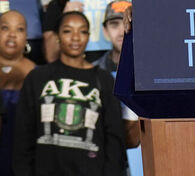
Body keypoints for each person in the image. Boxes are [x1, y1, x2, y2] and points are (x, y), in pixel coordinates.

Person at [13, 11, 124, 175]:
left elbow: (114, 140)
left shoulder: (104, 80)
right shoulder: (38, 77)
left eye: (82, 31)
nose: (75, 37)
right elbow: (22, 136)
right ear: (57, 36)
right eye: (67, 31)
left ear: (88, 36)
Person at [0, 10, 37, 176]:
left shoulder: (40, 75)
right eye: (5, 28)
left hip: (26, 156)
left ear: (26, 36)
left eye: (19, 29)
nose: (12, 35)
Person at [95, 0, 130, 74]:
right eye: (114, 25)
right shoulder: (93, 71)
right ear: (105, 31)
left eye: (128, 24)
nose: (122, 33)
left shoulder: (154, 65)